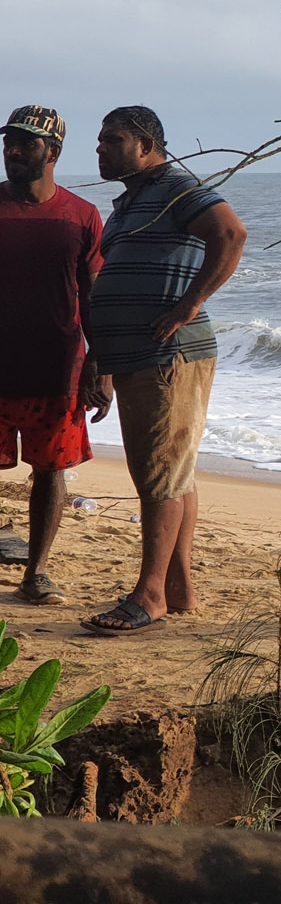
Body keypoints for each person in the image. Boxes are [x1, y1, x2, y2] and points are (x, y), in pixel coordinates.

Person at [83, 106, 246, 636]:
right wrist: (100, 359)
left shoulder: (177, 186)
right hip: (135, 357)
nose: (101, 148)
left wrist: (189, 304)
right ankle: (177, 589)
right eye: (101, 140)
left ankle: (149, 595)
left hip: (169, 355)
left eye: (113, 139)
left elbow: (231, 234)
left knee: (158, 473)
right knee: (173, 471)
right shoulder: (131, 202)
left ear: (147, 146)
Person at [0, 106, 109, 606]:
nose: (13, 153)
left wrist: (99, 366)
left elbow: (94, 298)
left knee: (50, 472)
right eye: (9, 143)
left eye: (26, 144)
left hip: (57, 370)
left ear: (54, 152)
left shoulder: (81, 216)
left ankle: (35, 573)